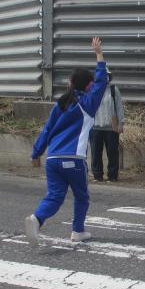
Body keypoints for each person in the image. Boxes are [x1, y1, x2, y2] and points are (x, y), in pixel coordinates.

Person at [25, 37, 107, 245]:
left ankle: (36, 219)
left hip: (52, 158)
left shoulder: (59, 105)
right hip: (74, 158)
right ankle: (77, 231)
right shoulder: (88, 103)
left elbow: (47, 130)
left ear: (70, 84)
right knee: (81, 197)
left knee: (54, 196)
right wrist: (99, 54)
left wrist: (36, 153)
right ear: (88, 87)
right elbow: (102, 81)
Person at [89, 71, 124, 182]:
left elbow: (119, 107)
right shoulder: (91, 90)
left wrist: (121, 123)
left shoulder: (114, 90)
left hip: (111, 128)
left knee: (112, 153)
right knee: (95, 153)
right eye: (101, 76)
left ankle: (112, 176)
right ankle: (97, 175)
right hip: (95, 127)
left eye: (106, 76)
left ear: (109, 77)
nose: (104, 78)